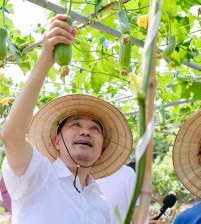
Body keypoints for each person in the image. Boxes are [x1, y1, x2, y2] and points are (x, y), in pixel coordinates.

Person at [0, 14, 133, 224]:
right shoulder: (36, 175)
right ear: (56, 141)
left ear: (102, 149)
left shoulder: (100, 202)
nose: (86, 131)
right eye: (75, 124)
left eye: (95, 129)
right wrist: (46, 59)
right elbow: (11, 136)